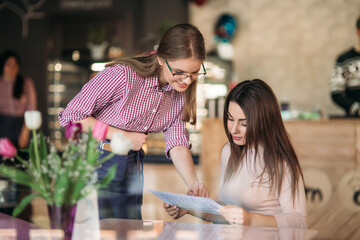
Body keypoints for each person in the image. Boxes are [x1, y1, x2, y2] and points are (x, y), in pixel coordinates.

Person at [58, 23, 210, 219]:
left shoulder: (178, 91)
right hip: (94, 162)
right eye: (180, 72)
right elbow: (72, 117)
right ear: (161, 59)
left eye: (194, 73)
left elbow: (177, 141)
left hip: (131, 164)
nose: (187, 81)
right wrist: (123, 137)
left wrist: (193, 183)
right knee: (97, 231)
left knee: (127, 230)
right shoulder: (123, 76)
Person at [164, 79, 307, 228]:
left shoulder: (280, 161)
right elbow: (224, 213)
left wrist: (250, 219)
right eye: (230, 119)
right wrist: (190, 207)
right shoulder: (229, 152)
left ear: (263, 121)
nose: (233, 129)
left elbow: (299, 222)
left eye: (243, 123)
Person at [0, 49, 37, 221]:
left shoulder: (25, 82)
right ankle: (4, 215)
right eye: (9, 64)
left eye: (15, 65)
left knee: (21, 173)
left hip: (20, 127)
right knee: (3, 175)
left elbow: (31, 108)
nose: (12, 68)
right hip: (2, 128)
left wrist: (25, 132)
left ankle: (22, 216)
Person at [331, 15, 360, 117]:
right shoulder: (344, 60)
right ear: (358, 32)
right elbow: (336, 93)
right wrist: (357, 109)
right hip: (354, 120)